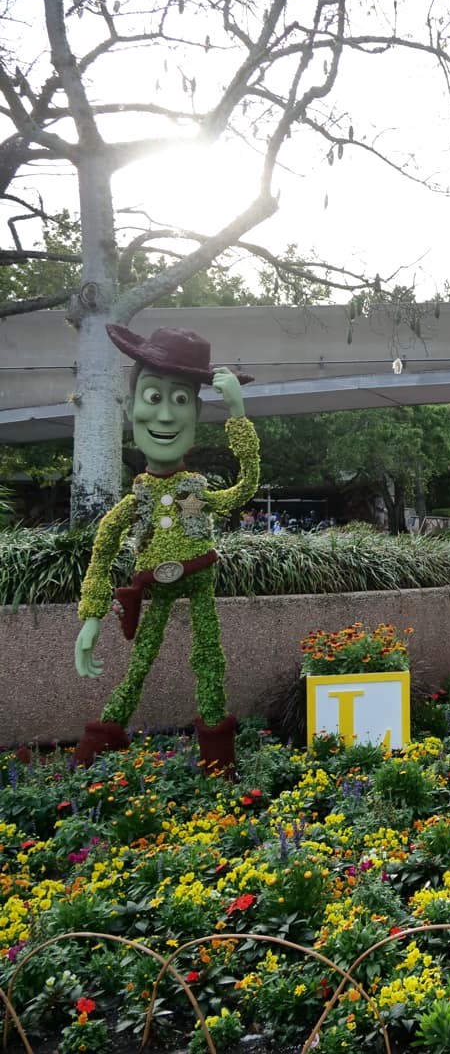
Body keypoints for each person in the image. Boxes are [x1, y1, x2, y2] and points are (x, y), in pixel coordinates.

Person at [73, 326, 259, 774]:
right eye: (153, 397)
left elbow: (243, 488)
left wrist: (237, 413)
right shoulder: (136, 500)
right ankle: (100, 745)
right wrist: (92, 618)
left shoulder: (193, 492)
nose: (165, 415)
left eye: (179, 400)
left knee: (209, 658)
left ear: (195, 413)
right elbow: (103, 553)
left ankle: (218, 761)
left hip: (197, 578)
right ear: (131, 406)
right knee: (139, 664)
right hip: (154, 586)